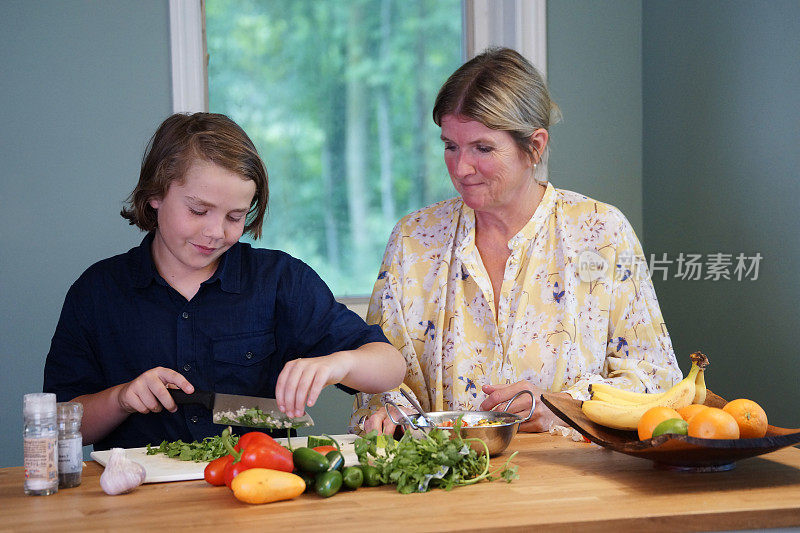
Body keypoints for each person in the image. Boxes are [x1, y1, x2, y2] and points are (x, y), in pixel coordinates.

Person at [350, 47, 682, 435]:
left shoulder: (601, 232)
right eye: (450, 146)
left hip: (575, 487)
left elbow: (655, 380)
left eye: (483, 148)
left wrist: (561, 407)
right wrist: (389, 411)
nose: (461, 168)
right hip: (445, 484)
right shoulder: (413, 239)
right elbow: (381, 381)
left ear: (535, 146)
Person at [44, 112, 406, 449]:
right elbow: (61, 427)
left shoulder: (280, 280)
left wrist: (336, 364)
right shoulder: (97, 292)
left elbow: (390, 366)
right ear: (155, 193)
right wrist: (121, 399)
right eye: (198, 211)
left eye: (235, 216)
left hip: (259, 489)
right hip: (133, 503)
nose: (216, 232)